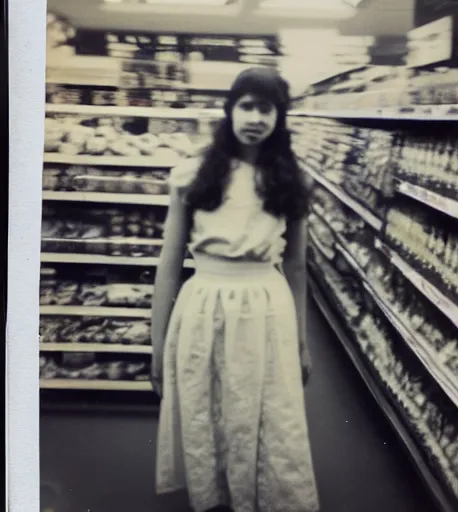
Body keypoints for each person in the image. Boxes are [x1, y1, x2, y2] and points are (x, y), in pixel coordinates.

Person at [151, 66, 319, 512]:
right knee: (209, 402)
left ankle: (257, 495)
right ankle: (217, 497)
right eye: (246, 106)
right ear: (230, 110)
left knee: (264, 407)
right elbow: (169, 265)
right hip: (204, 300)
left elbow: (297, 266)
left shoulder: (293, 180)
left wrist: (301, 342)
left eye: (267, 109)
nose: (255, 118)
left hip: (267, 303)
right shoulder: (191, 175)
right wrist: (157, 343)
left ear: (279, 118)